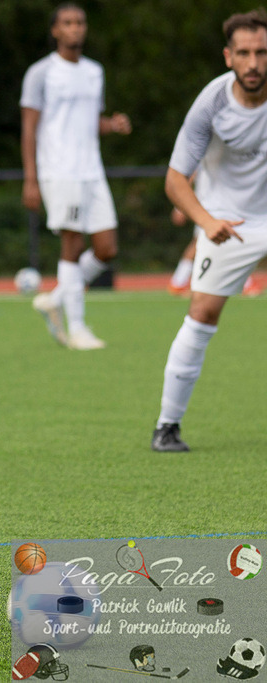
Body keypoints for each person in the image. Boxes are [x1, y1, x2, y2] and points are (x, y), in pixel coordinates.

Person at [151, 9, 267, 452]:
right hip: (227, 221)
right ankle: (167, 425)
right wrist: (205, 221)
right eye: (244, 53)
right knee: (202, 313)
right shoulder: (212, 102)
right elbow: (175, 180)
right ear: (228, 57)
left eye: (261, 52)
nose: (254, 62)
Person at [21, 2, 132, 350]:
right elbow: (30, 127)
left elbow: (88, 121)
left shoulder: (94, 71)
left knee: (107, 248)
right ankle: (78, 328)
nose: (75, 28)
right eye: (67, 23)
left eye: (80, 22)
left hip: (92, 170)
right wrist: (31, 178)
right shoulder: (41, 72)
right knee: (72, 243)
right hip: (59, 169)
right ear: (55, 30)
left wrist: (110, 125)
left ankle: (56, 297)